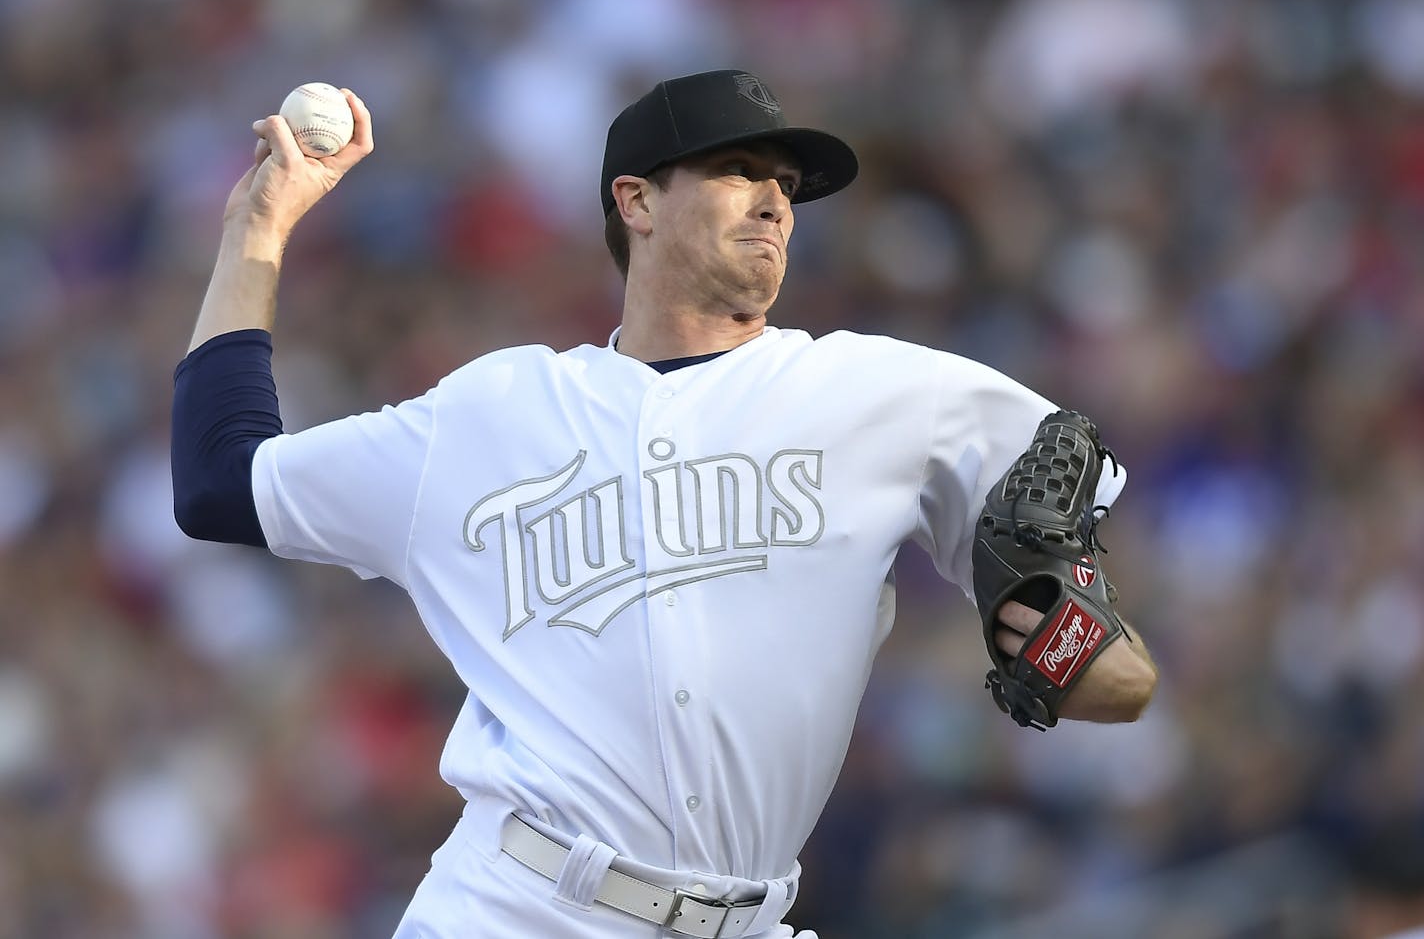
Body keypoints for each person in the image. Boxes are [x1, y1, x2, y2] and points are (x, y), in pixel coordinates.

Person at [171, 69, 1158, 939]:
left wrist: (1058, 644)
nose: (774, 199)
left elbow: (1117, 675)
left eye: (787, 185)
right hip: (522, 908)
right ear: (635, 200)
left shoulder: (887, 396)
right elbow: (221, 479)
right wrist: (259, 227)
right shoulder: (490, 414)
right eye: (738, 171)